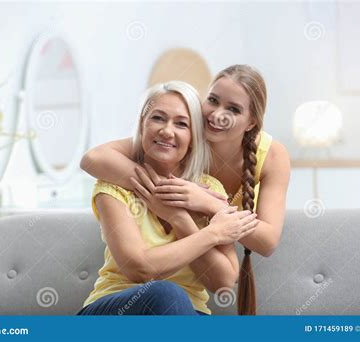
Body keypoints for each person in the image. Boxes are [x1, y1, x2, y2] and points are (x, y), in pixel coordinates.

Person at [80, 65, 291, 315]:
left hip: (187, 314)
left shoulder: (210, 189)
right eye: (212, 100)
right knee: (167, 295)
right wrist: (164, 194)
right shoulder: (114, 183)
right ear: (142, 124)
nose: (218, 115)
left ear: (192, 136)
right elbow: (140, 269)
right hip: (121, 311)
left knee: (177, 304)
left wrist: (184, 215)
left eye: (181, 124)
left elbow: (225, 279)